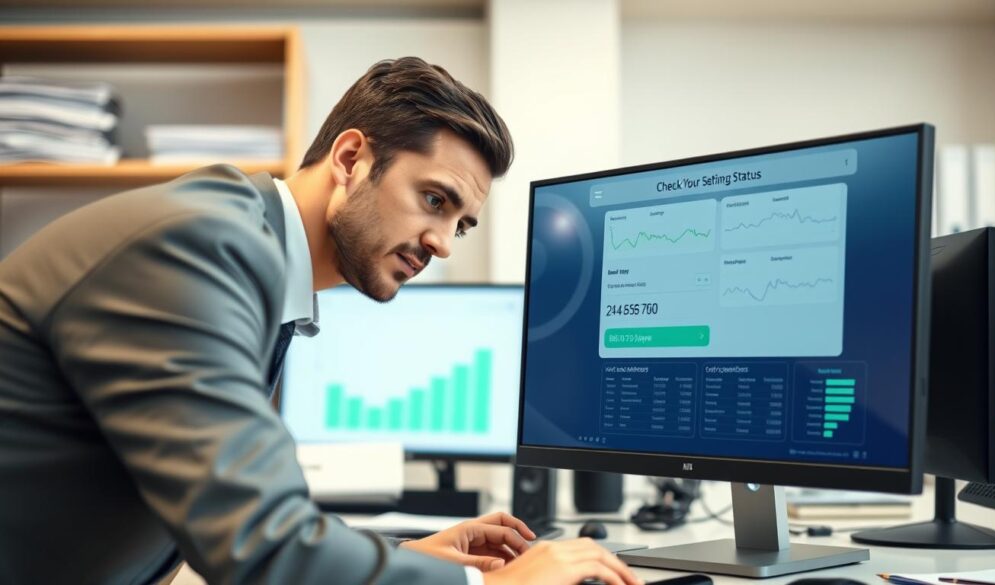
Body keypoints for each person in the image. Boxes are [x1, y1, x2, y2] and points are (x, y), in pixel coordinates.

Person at [0, 57, 641, 585]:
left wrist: (410, 558)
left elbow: (215, 529)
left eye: (461, 224)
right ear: (350, 159)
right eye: (434, 200)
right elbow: (257, 545)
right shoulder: (200, 248)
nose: (444, 242)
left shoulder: (247, 247)